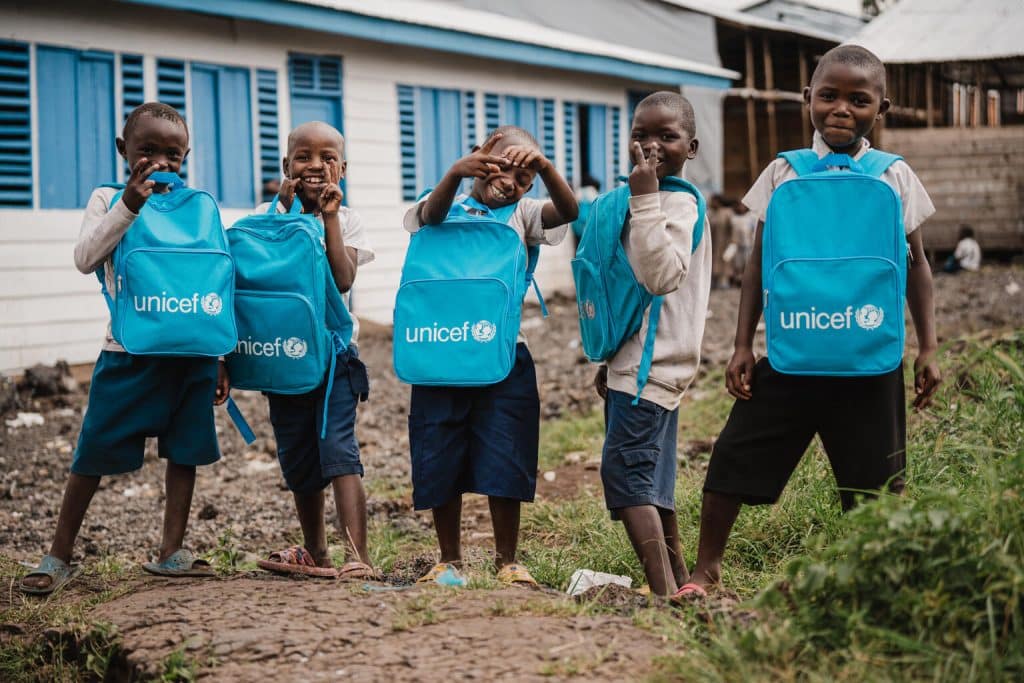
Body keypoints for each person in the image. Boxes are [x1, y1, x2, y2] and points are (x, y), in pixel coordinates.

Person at [679, 45, 941, 599]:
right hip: (792, 354)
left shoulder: (894, 175)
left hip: (870, 361)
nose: (840, 109)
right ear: (807, 99)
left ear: (882, 108)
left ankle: (876, 585)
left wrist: (929, 348)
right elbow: (756, 264)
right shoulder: (782, 171)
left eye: (858, 99)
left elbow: (919, 265)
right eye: (829, 96)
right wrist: (741, 346)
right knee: (732, 457)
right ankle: (705, 572)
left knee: (876, 486)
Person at [20, 103, 229, 594]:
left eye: (172, 154)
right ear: (123, 151)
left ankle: (171, 551)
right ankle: (58, 554)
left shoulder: (199, 205)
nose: (160, 162)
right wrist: (129, 206)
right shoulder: (108, 198)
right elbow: (86, 257)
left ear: (186, 156)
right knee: (93, 450)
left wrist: (221, 354)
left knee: (186, 452)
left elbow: (217, 282)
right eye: (147, 151)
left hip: (193, 354)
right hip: (128, 353)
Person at [403, 126, 577, 586]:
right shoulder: (441, 201)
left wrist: (547, 169)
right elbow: (432, 217)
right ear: (480, 158)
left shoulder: (525, 215)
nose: (512, 183)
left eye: (525, 179)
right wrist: (454, 174)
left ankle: (508, 561)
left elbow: (569, 210)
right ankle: (448, 561)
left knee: (507, 452)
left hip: (503, 353)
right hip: (440, 347)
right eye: (503, 168)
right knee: (440, 451)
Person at [592, 92, 712, 597]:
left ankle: (662, 594)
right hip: (642, 362)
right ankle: (680, 582)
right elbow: (630, 292)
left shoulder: (674, 203)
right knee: (654, 483)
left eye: (667, 136)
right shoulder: (656, 200)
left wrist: (643, 200)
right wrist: (612, 356)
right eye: (640, 135)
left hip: (651, 367)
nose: (651, 146)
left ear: (692, 147)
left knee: (625, 479)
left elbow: (661, 276)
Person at [253, 122, 377, 580]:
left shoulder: (347, 221)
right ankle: (316, 551)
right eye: (303, 157)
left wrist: (327, 218)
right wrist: (283, 209)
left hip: (335, 356)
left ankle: (356, 557)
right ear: (286, 166)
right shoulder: (268, 216)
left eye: (328, 158)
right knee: (298, 456)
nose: (315, 166)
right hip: (282, 356)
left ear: (341, 169)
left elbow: (343, 279)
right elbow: (255, 268)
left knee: (338, 449)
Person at [728, 201, 758, 283]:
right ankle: (737, 279)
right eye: (739, 206)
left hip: (748, 244)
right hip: (736, 244)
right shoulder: (734, 218)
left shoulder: (751, 217)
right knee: (737, 263)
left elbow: (753, 230)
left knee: (747, 262)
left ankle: (746, 280)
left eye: (743, 206)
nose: (741, 208)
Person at [708, 193, 734, 289]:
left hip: (726, 244)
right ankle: (713, 282)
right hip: (713, 244)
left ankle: (724, 282)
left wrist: (732, 243)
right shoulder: (711, 213)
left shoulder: (727, 213)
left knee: (725, 262)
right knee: (714, 262)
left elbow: (732, 228)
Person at [571, 173, 601, 247]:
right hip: (589, 223)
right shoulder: (593, 191)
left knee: (578, 246)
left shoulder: (578, 191)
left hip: (577, 224)